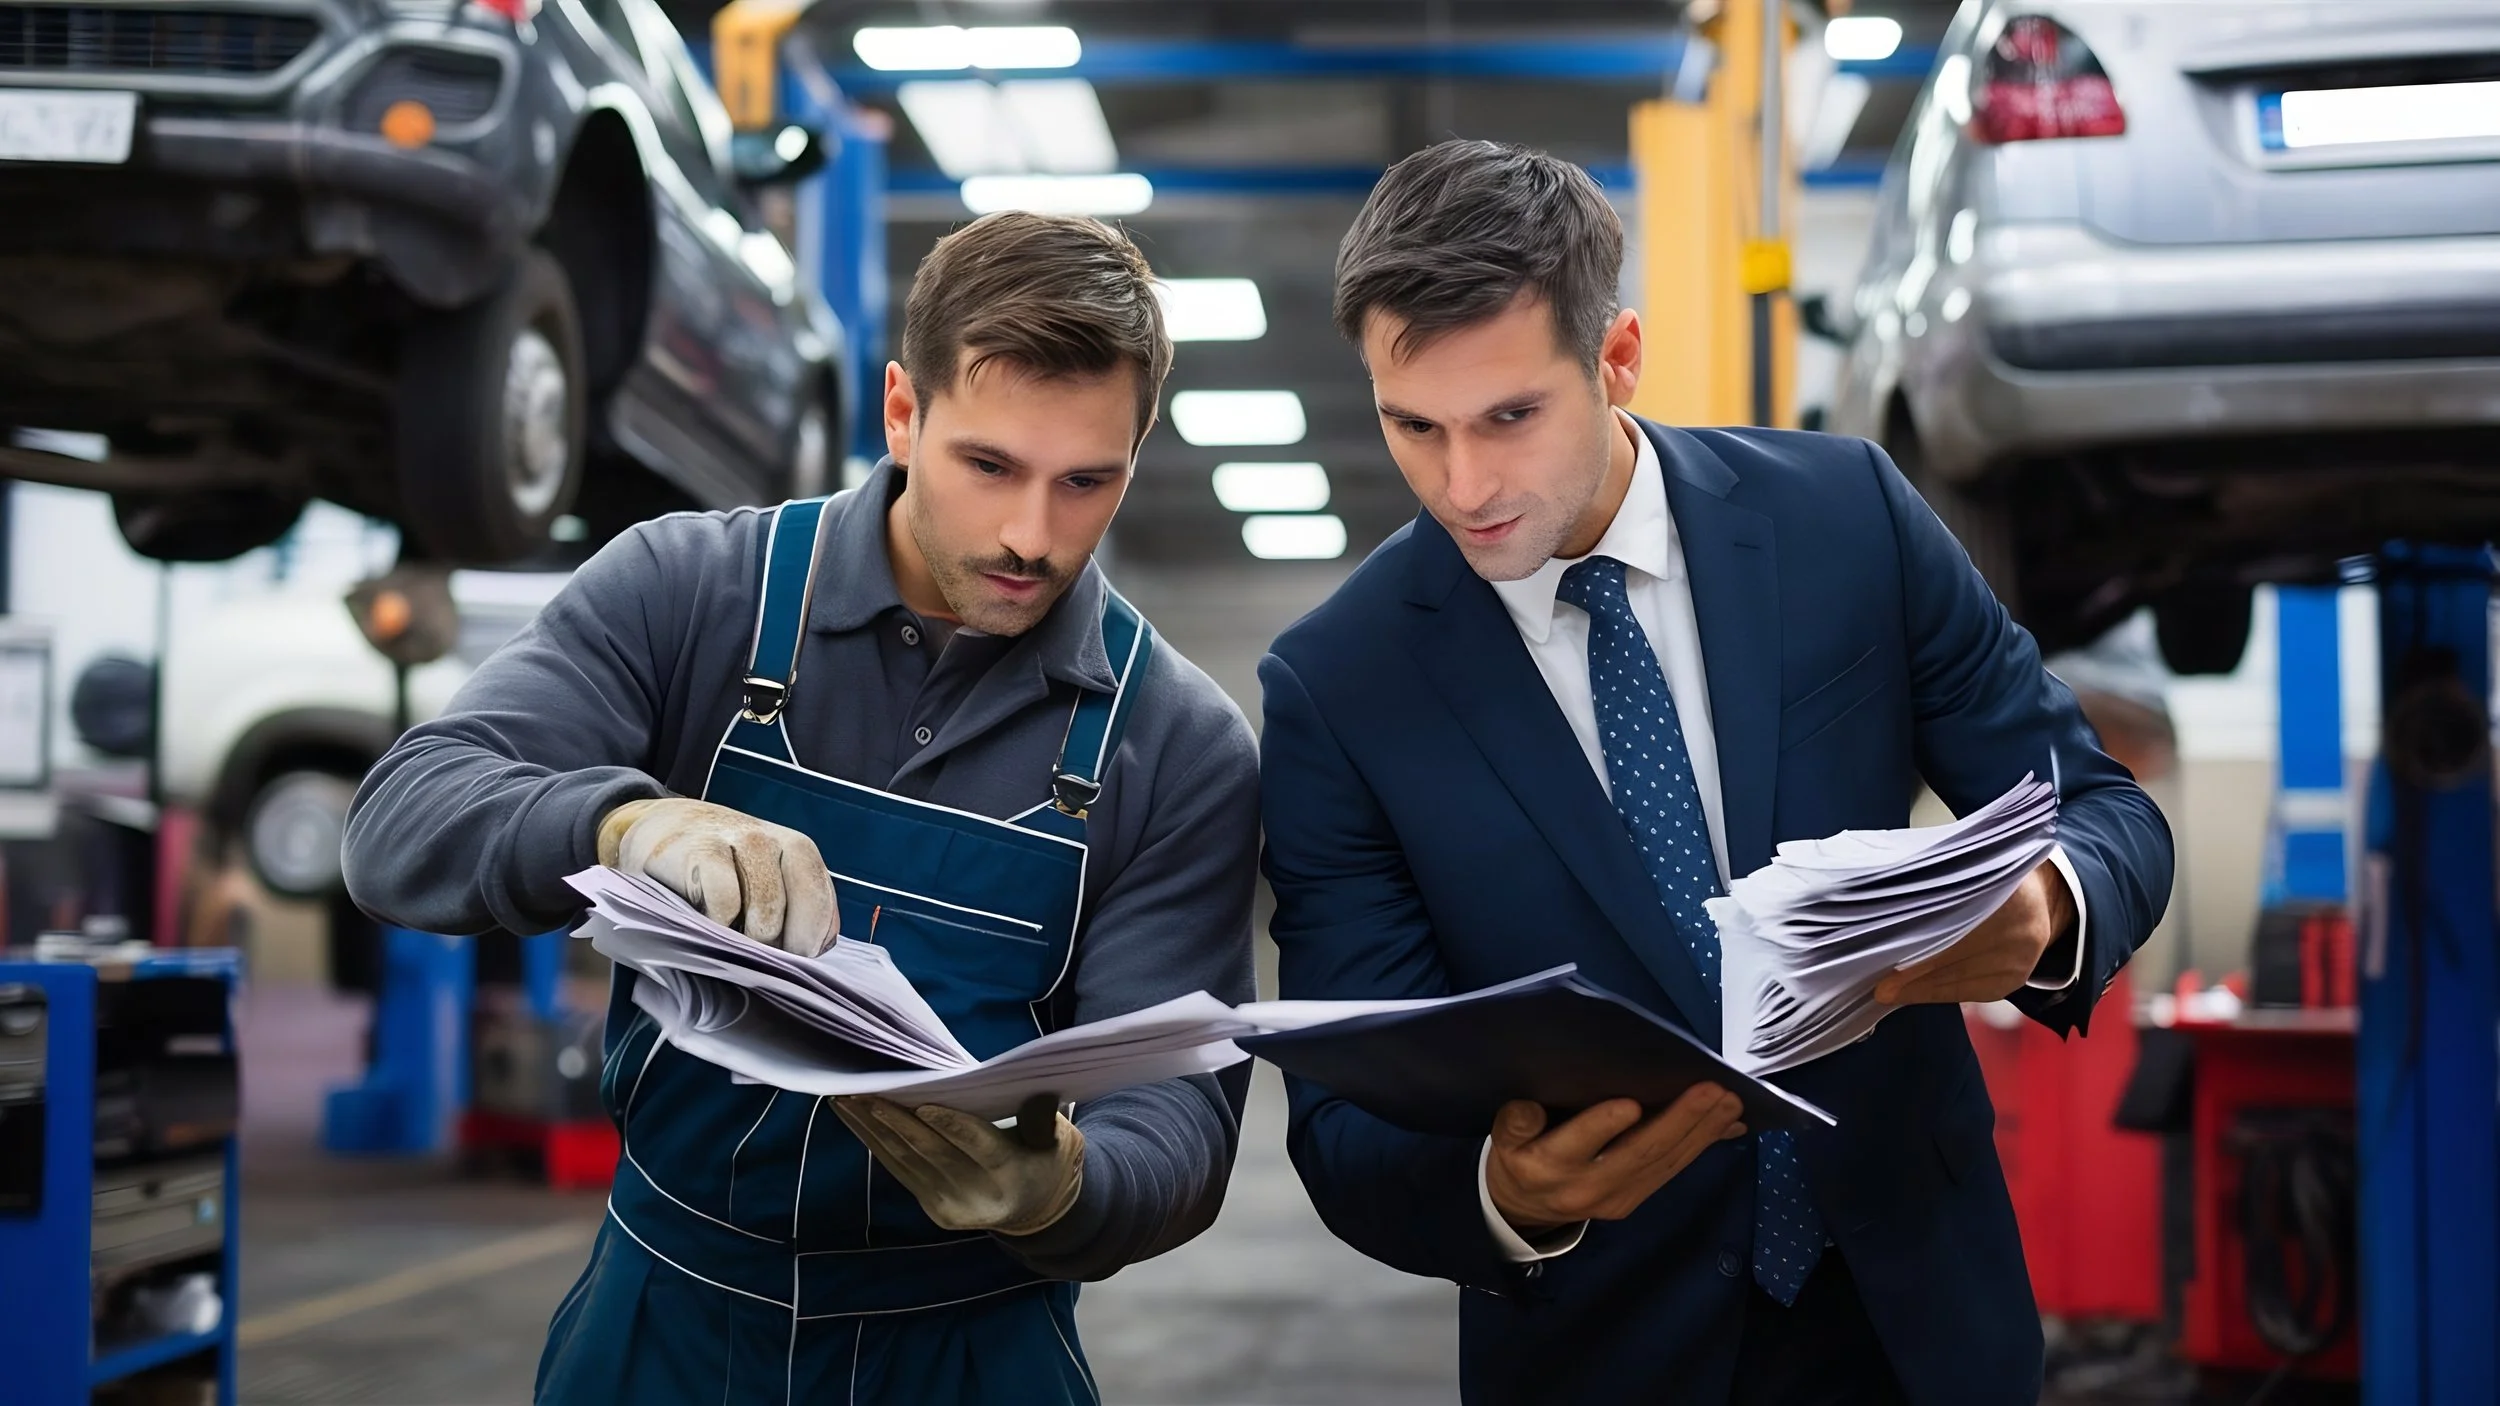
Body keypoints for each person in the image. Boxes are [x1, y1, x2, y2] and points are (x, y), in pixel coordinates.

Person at [1258, 140, 2173, 1405]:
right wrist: (1501, 1191)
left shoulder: (1845, 518)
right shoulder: (1339, 687)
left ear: (1616, 357)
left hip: (1923, 1328)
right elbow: (1345, 1113)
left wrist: (2052, 905)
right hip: (1603, 1352)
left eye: (1509, 417)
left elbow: (2102, 807)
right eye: (1413, 426)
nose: (1463, 487)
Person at [344, 211, 1260, 1405]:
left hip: (970, 1347)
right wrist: (621, 824)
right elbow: (400, 821)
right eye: (988, 466)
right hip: (662, 1316)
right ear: (900, 412)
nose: (1031, 536)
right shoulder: (687, 593)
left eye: (1086, 482)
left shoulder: (1177, 747)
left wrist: (1065, 1186)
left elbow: (1181, 1121)